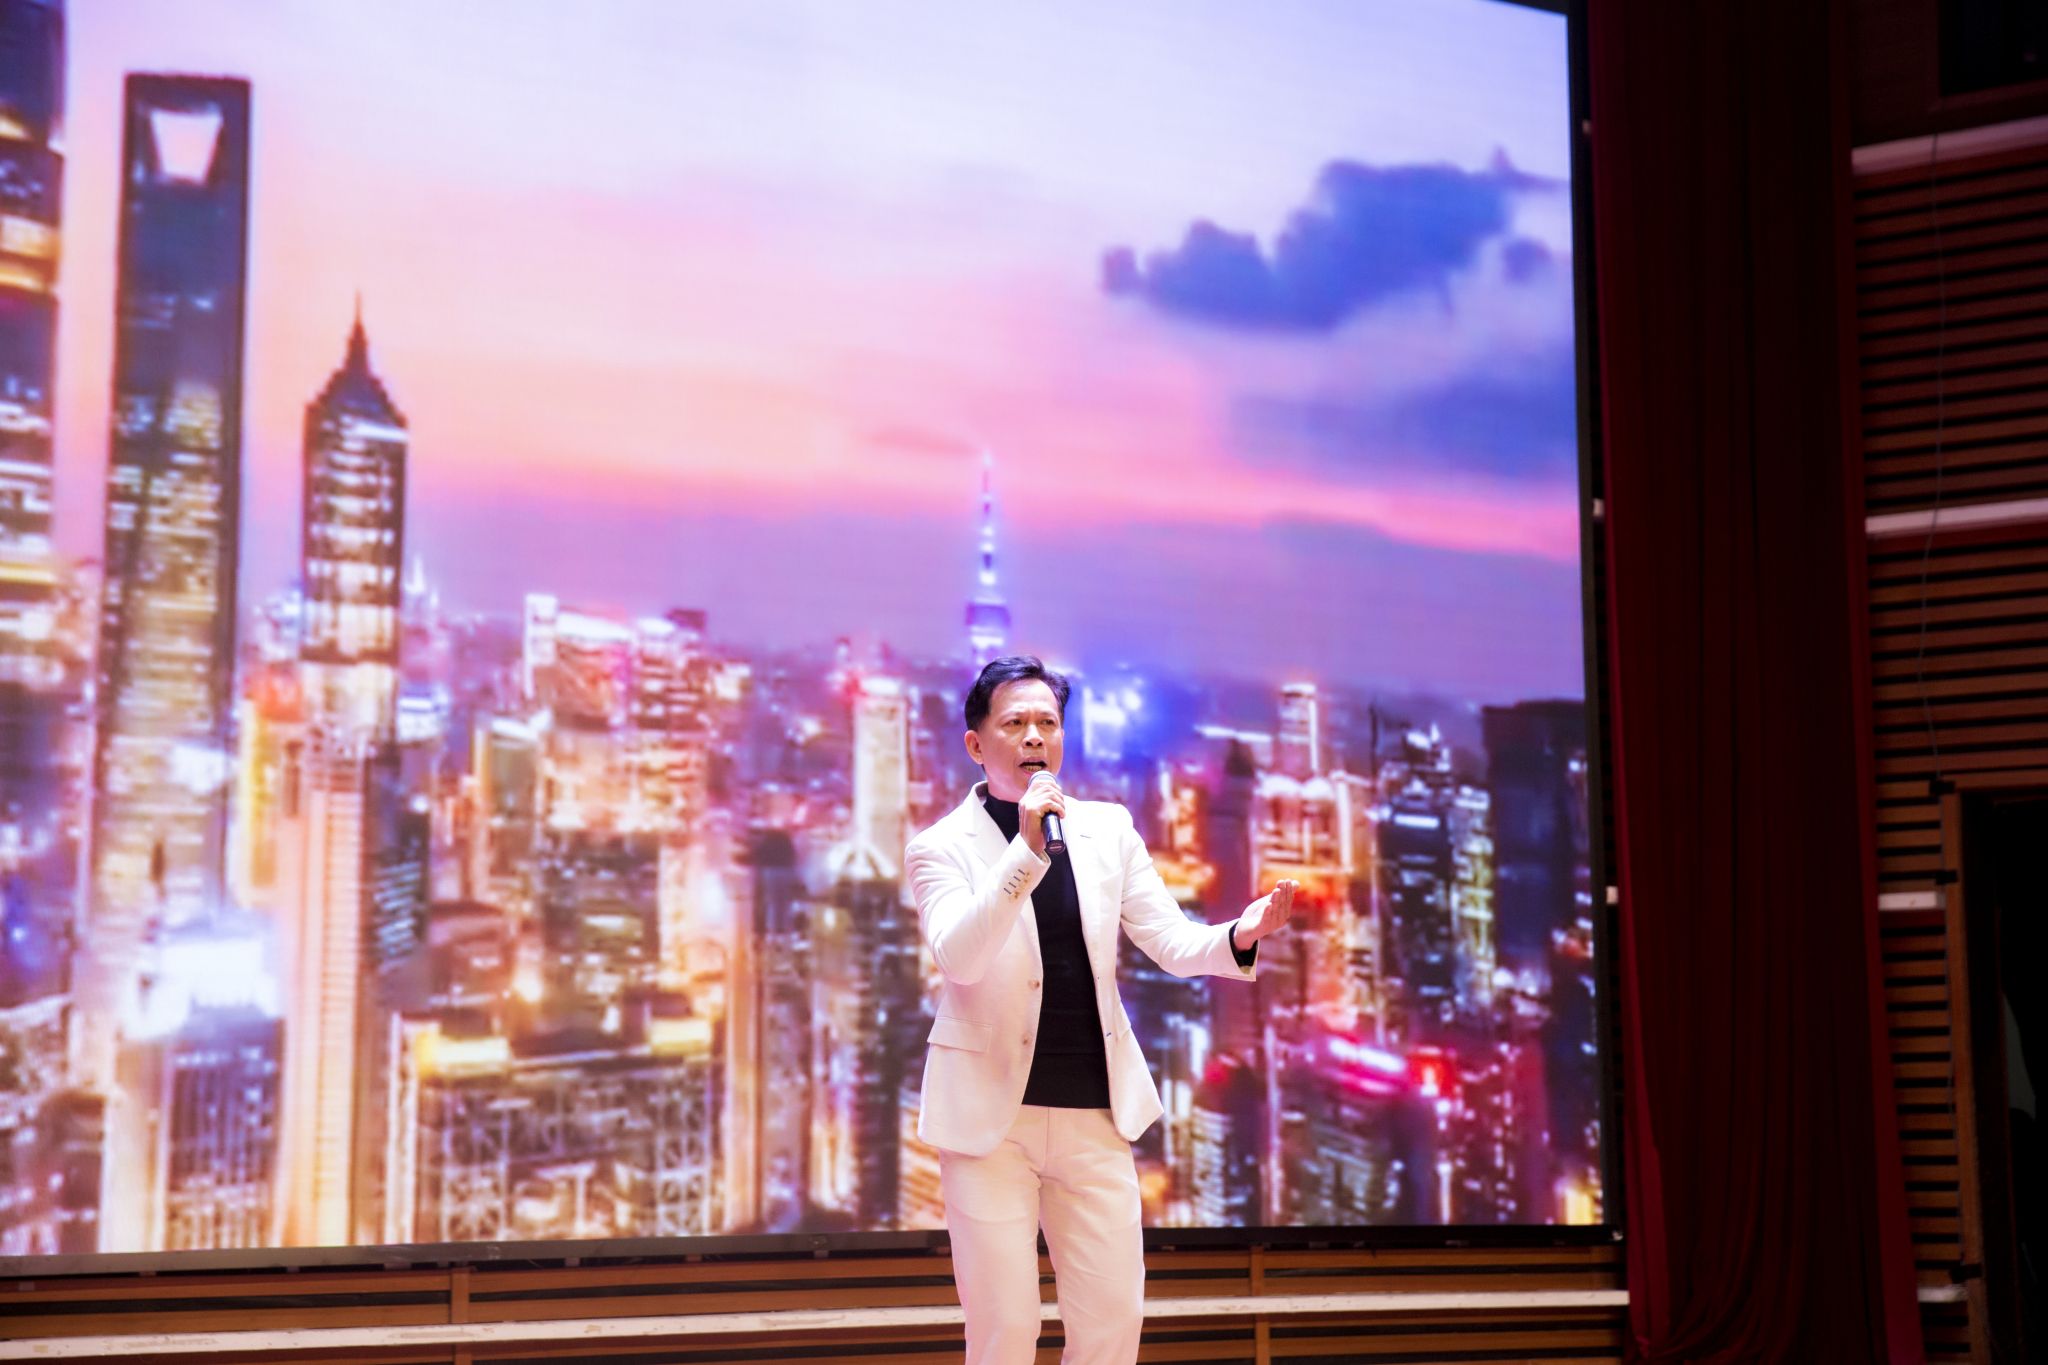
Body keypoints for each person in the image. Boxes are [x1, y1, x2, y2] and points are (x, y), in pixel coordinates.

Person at [905, 655, 1297, 1365]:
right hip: (990, 1123)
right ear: (976, 743)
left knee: (1112, 1322)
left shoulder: (1106, 829)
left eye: (1048, 723)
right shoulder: (940, 847)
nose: (1034, 736)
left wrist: (1239, 935)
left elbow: (1170, 941)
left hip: (1094, 1112)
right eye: (1015, 723)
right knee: (1006, 1329)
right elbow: (959, 957)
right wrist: (1025, 852)